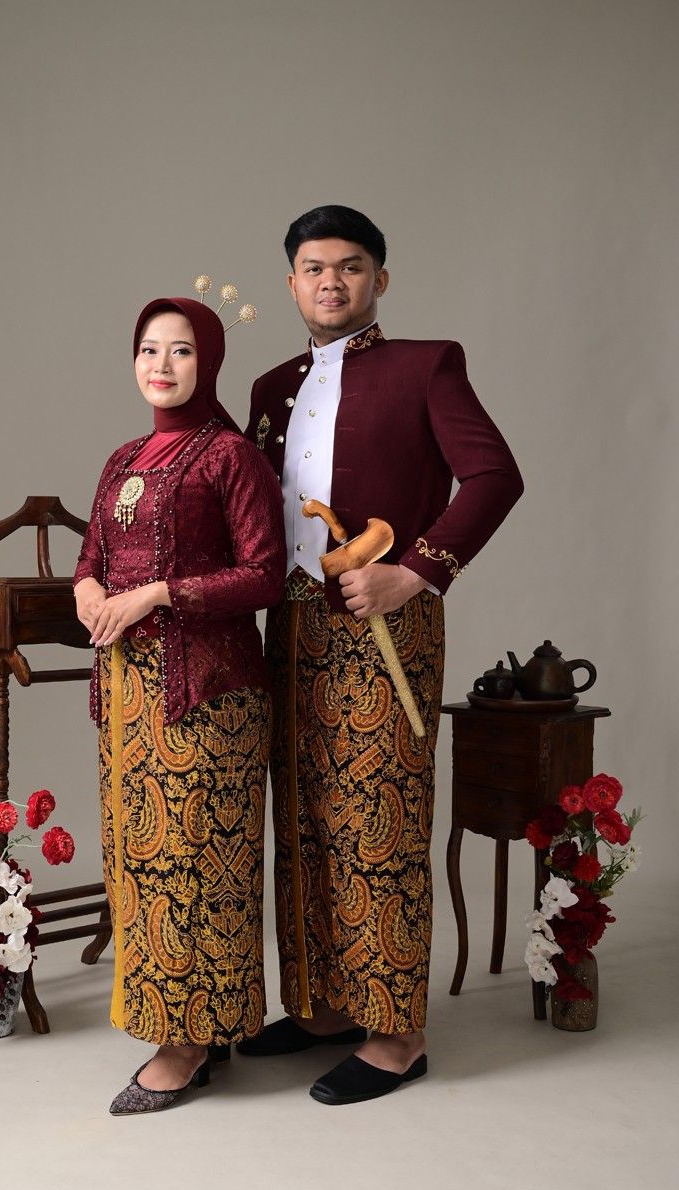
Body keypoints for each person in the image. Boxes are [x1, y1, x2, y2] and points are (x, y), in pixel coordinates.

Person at [240, 205, 524, 1104]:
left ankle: (398, 1034)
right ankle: (326, 1008)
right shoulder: (270, 386)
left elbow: (495, 476)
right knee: (305, 817)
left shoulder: (426, 364)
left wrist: (416, 573)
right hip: (289, 625)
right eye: (314, 268)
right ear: (292, 284)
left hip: (384, 620)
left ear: (380, 280)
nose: (332, 282)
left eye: (351, 266)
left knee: (379, 819)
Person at [73, 295, 285, 1114]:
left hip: (208, 694)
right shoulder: (123, 458)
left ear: (211, 362)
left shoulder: (231, 456)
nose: (161, 365)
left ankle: (186, 1043)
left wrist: (158, 593)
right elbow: (92, 558)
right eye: (149, 349)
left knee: (194, 862)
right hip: (128, 695)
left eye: (182, 350)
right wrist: (90, 591)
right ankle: (195, 1028)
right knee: (139, 862)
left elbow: (263, 576)